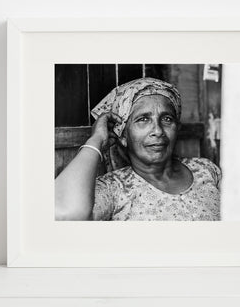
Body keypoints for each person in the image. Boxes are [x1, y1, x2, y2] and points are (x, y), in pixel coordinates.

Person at [55, 77, 221, 221]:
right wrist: (96, 140)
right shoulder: (113, 188)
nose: (158, 130)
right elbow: (64, 214)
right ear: (124, 136)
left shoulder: (205, 169)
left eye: (167, 119)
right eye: (143, 119)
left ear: (177, 128)